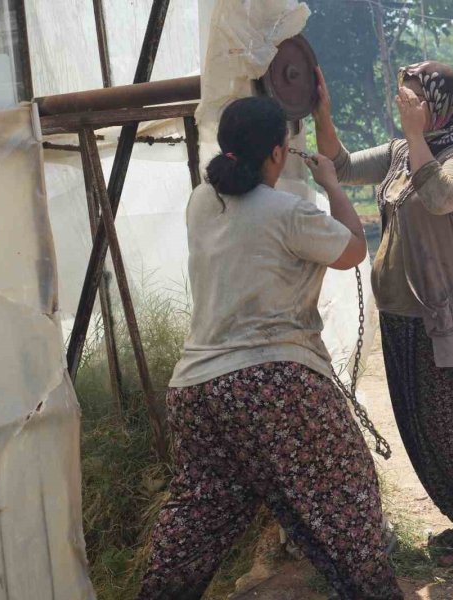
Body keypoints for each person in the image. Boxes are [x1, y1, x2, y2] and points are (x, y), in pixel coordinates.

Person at [137, 96, 403, 600]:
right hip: (273, 384)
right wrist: (331, 184)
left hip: (196, 389)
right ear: (279, 153)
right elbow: (352, 249)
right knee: (343, 492)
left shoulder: (202, 202)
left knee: (200, 512)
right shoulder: (288, 211)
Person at [313, 61, 453, 567]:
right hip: (404, 316)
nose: (403, 108)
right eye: (401, 99)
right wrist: (323, 115)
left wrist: (414, 135)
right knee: (423, 424)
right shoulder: (403, 152)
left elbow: (441, 197)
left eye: (413, 99)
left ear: (439, 105)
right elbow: (341, 166)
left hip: (451, 321)